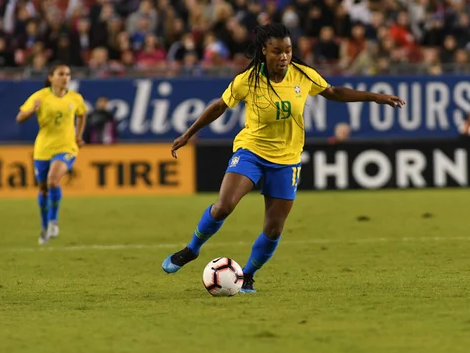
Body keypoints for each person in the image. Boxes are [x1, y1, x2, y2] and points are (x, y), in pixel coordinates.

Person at [162, 23, 405, 292]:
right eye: (277, 51)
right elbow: (220, 105)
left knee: (274, 228)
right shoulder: (249, 79)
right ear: (264, 51)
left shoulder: (302, 75)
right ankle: (192, 249)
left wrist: (375, 97)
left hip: (287, 160)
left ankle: (248, 275)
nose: (284, 57)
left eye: (288, 51)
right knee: (224, 206)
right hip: (251, 151)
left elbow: (334, 92)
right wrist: (188, 134)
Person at [16, 63, 87, 245]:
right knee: (43, 189)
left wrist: (78, 136)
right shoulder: (40, 96)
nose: (65, 78)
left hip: (67, 148)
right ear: (51, 77)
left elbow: (82, 114)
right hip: (43, 149)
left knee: (53, 180)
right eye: (61, 74)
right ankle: (44, 226)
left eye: (68, 74)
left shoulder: (75, 98)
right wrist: (32, 110)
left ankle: (53, 221)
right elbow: (19, 118)